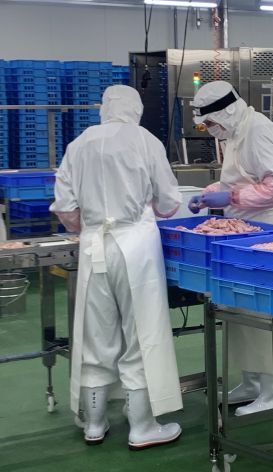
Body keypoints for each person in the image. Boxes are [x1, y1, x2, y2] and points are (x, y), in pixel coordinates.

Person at [50, 85, 183, 448]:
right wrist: (141, 210)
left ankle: (94, 423)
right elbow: (169, 202)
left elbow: (65, 208)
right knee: (141, 334)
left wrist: (92, 224)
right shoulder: (145, 141)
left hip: (94, 245)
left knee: (96, 335)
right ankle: (142, 426)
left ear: (104, 109)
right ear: (136, 109)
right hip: (136, 246)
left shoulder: (79, 144)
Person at [188, 81, 273, 416]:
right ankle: (251, 383)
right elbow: (238, 180)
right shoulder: (235, 133)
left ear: (227, 111)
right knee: (241, 312)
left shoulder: (258, 131)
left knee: (266, 313)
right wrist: (210, 194)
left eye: (211, 123)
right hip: (246, 230)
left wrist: (231, 197)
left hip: (270, 230)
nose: (210, 130)